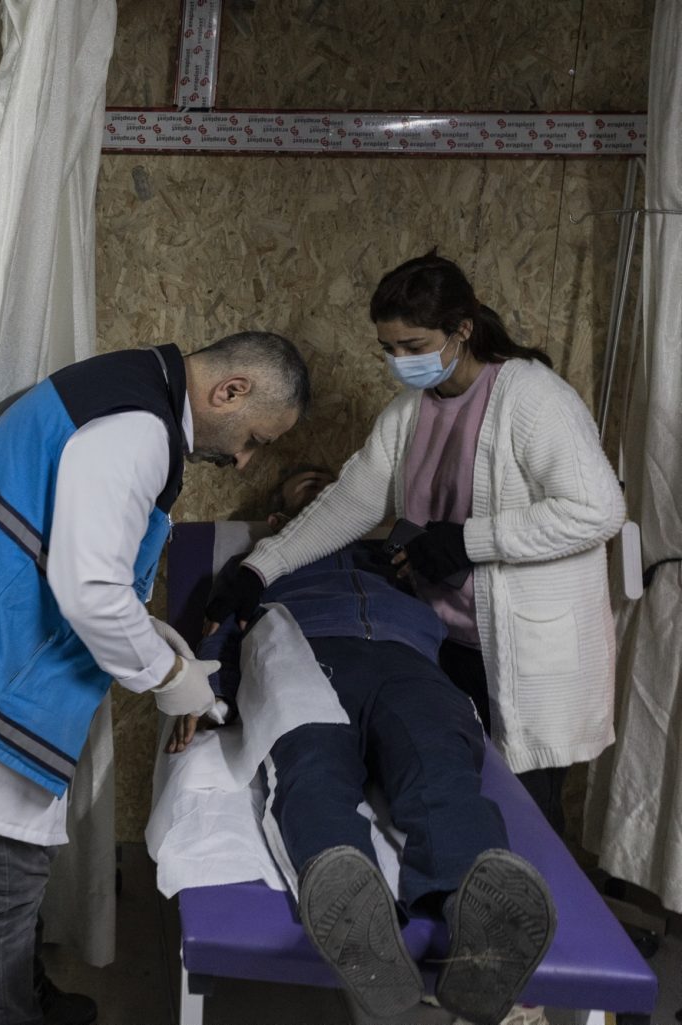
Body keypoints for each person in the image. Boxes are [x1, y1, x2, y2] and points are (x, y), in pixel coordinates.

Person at [0, 332, 311, 1025]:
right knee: (6, 885)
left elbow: (75, 553)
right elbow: (90, 591)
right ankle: (16, 1014)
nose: (243, 459)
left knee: (14, 872)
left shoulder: (125, 387)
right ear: (230, 391)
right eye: (254, 440)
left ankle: (27, 996)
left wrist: (161, 642)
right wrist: (168, 676)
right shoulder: (139, 429)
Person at [207, 252, 625, 832]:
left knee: (526, 815)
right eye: (389, 348)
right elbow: (350, 502)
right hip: (445, 640)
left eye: (414, 345)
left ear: (463, 329)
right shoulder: (411, 411)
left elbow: (598, 511)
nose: (401, 361)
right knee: (457, 792)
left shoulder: (533, 398)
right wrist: (260, 568)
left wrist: (470, 541)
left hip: (528, 652)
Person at [181, 468, 555, 1025]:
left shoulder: (396, 559)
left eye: (332, 482)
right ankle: (351, 902)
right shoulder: (256, 563)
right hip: (302, 652)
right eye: (306, 483)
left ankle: (479, 924)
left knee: (440, 766)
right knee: (313, 767)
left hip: (408, 660)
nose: (323, 483)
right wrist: (207, 692)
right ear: (278, 519)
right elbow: (220, 629)